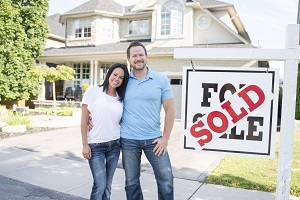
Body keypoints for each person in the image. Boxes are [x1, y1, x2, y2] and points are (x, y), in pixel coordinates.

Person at [121, 40, 175, 200]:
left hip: (154, 139)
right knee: (131, 182)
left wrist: (165, 138)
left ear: (146, 57)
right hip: (128, 139)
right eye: (134, 55)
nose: (138, 58)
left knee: (166, 179)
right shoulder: (122, 81)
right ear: (129, 59)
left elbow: (170, 110)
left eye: (141, 54)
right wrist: (90, 116)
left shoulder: (161, 80)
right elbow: (106, 100)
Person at [81, 63, 129, 200]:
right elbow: (84, 119)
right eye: (115, 74)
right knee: (100, 185)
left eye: (121, 77)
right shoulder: (94, 91)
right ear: (109, 74)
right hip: (95, 146)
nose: (117, 79)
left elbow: (118, 120)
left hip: (114, 145)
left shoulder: (121, 98)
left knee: (108, 185)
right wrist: (85, 144)